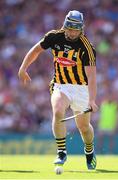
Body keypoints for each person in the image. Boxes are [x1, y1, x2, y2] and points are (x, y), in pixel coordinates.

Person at [18, 10, 98, 170]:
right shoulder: (54, 37)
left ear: (81, 29)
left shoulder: (87, 47)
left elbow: (92, 76)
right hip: (61, 84)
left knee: (84, 128)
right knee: (58, 111)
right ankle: (61, 152)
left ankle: (89, 150)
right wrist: (23, 68)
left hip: (81, 88)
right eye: (70, 28)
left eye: (76, 29)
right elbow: (36, 50)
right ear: (65, 26)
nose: (73, 32)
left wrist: (91, 100)